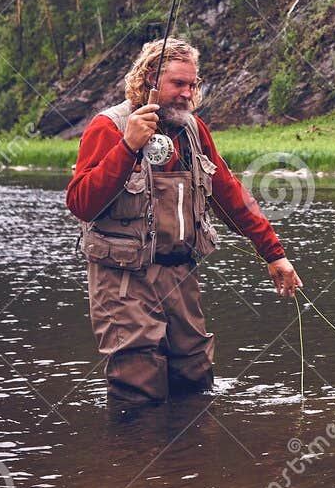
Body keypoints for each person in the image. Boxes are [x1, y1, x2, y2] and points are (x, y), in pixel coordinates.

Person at [66, 37, 302, 404]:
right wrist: (128, 147)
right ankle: (135, 458)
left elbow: (231, 196)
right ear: (149, 82)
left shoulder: (193, 130)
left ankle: (191, 461)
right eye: (179, 83)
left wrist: (273, 253)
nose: (188, 94)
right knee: (138, 385)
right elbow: (81, 202)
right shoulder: (109, 127)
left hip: (181, 274)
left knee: (195, 379)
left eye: (193, 85)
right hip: (123, 278)